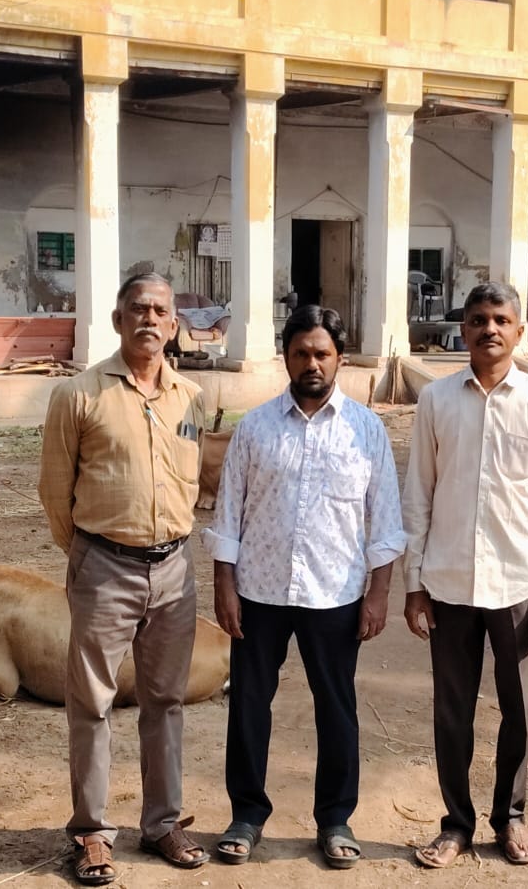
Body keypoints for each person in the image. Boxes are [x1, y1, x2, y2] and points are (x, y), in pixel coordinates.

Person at [202, 304, 405, 870]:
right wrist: (224, 585)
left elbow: (386, 519)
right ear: (286, 358)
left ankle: (336, 819)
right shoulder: (255, 427)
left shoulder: (366, 430)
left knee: (336, 707)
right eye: (300, 353)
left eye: (322, 353)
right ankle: (246, 815)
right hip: (259, 591)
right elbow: (228, 512)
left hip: (335, 593)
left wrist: (378, 592)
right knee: (249, 705)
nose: (311, 363)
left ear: (340, 359)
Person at [39, 272, 211, 885]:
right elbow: (55, 493)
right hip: (104, 566)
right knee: (92, 701)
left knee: (165, 701)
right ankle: (91, 832)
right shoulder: (78, 395)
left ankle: (162, 824)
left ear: (174, 325)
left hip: (174, 572)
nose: (149, 319)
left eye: (161, 311)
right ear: (118, 320)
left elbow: (197, 481)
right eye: (138, 309)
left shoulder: (192, 398)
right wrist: (91, 555)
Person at [403, 280, 528, 869]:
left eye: (501, 320)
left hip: (518, 585)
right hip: (448, 581)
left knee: (518, 710)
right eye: (478, 320)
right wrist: (414, 584)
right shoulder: (436, 400)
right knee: (452, 711)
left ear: (520, 331)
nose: (490, 330)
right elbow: (418, 496)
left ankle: (511, 817)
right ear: (464, 330)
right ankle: (456, 824)